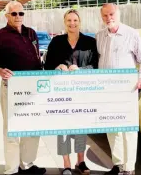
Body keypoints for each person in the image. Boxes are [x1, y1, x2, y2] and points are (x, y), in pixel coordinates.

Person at [96, 3, 141, 175]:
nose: (108, 18)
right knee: (112, 127)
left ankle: (129, 168)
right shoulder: (99, 36)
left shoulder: (131, 34)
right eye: (105, 15)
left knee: (128, 129)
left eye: (111, 14)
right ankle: (118, 164)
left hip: (127, 90)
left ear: (118, 13)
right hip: (106, 90)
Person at [0, 1, 46, 175]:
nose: (17, 17)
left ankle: (27, 164)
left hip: (34, 87)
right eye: (13, 14)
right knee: (12, 129)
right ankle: (12, 169)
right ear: (7, 16)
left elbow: (38, 58)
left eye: (20, 13)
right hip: (12, 87)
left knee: (33, 127)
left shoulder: (31, 33)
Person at [44, 9, 99, 175]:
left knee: (81, 126)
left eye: (75, 20)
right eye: (69, 20)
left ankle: (80, 161)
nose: (72, 23)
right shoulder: (56, 42)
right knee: (63, 128)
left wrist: (80, 69)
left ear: (79, 22)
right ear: (64, 22)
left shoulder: (90, 42)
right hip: (61, 93)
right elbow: (47, 66)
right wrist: (57, 67)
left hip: (82, 92)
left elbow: (95, 66)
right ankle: (66, 163)